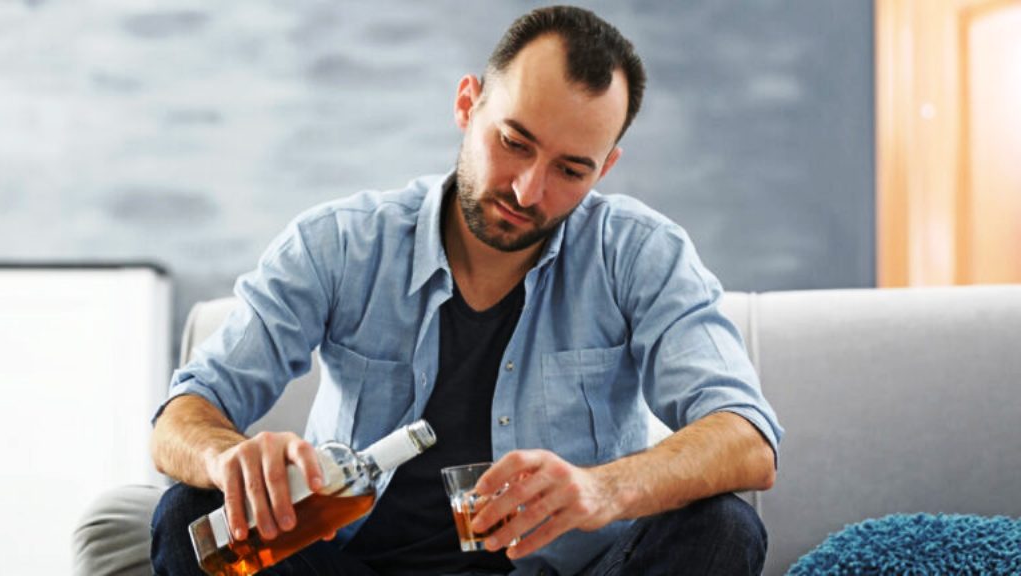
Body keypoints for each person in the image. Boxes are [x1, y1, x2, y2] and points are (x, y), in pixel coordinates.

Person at [150, 5, 783, 575]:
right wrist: (227, 460)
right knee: (190, 513)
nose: (528, 191)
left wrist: (603, 489)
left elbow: (747, 439)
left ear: (605, 167)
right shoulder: (340, 244)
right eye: (514, 143)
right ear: (467, 104)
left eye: (570, 170)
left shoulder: (639, 253)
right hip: (354, 568)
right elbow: (184, 413)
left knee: (723, 527)